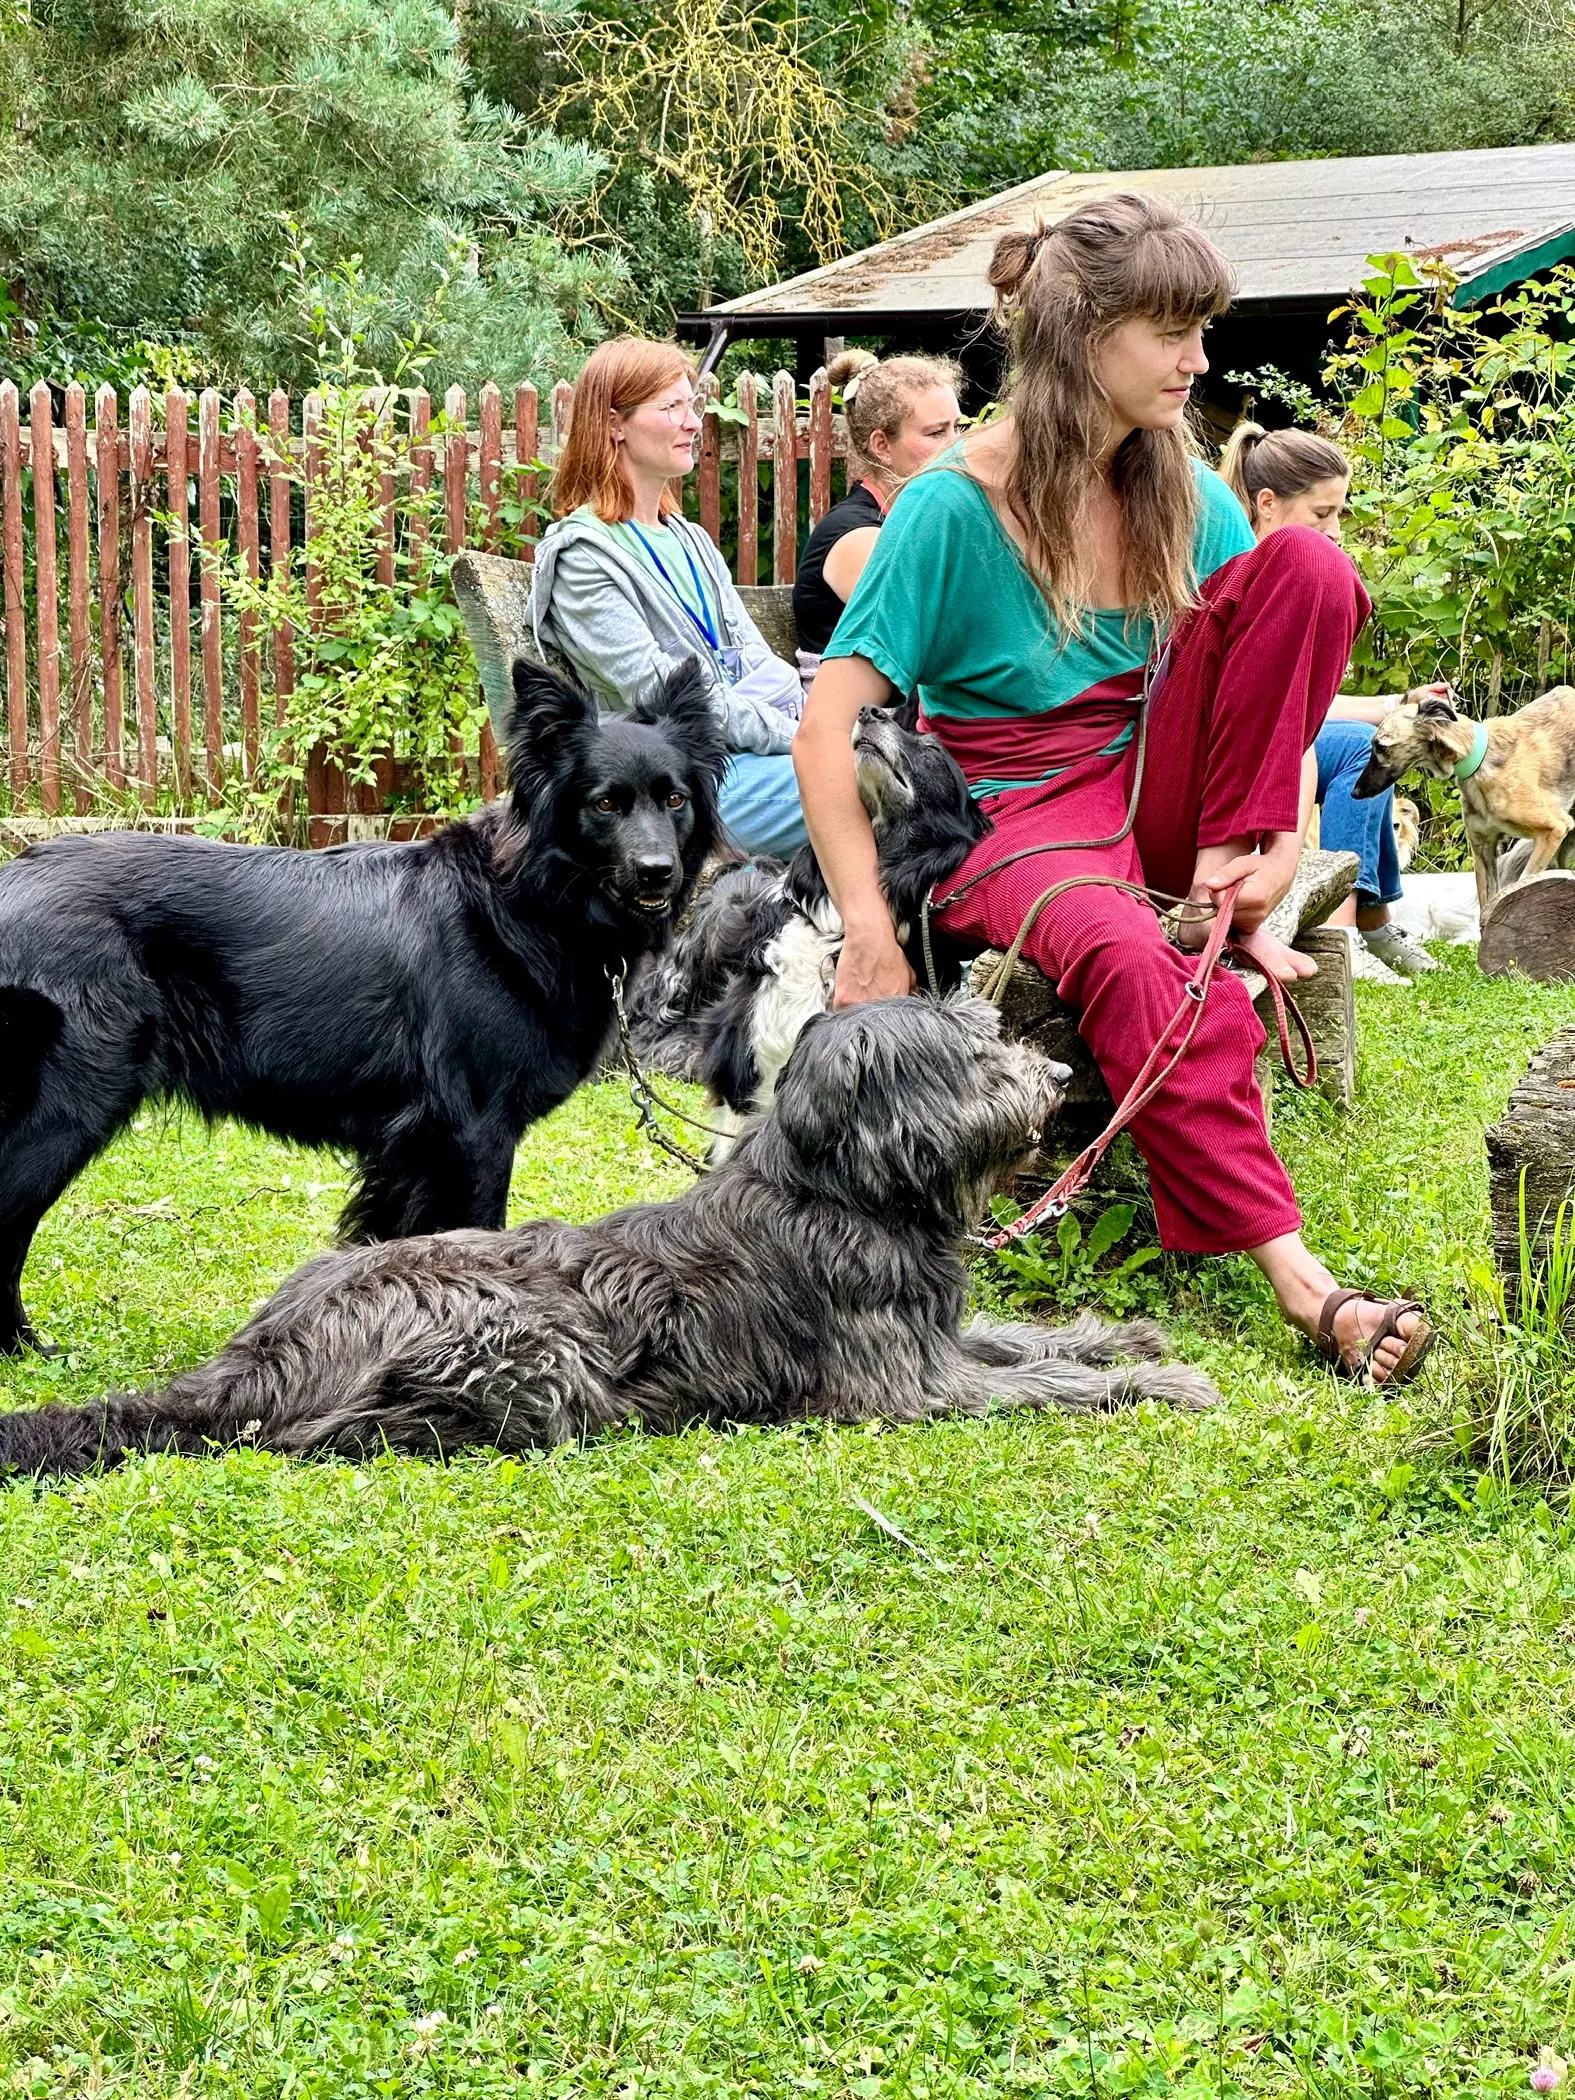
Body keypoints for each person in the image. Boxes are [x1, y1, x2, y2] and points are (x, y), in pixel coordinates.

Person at [793, 192, 1433, 1387]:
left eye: (1202, 329)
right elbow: (825, 733)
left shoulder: (1183, 489)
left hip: (1164, 786)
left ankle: (1216, 886)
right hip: (1014, 816)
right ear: (1087, 336)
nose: (1200, 360)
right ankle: (1308, 1288)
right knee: (1139, 959)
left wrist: (1277, 851)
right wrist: (872, 938)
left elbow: (1268, 668)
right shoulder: (948, 506)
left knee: (1311, 564)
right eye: (1173, 331)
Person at [528, 337, 807, 856]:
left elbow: (751, 655)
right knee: (861, 789)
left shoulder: (691, 539)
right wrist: (802, 739)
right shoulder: (585, 556)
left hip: (749, 760)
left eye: (693, 404)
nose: (693, 422)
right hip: (676, 790)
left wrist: (813, 718)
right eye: (671, 407)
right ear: (614, 424)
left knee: (892, 773)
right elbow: (665, 700)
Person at [1219, 421, 1437, 983]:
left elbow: (1305, 703)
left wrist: (1398, 701)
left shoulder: (1292, 562)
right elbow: (1277, 714)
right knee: (1362, 750)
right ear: (1267, 504)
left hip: (1283, 733)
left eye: (1341, 512)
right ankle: (1347, 929)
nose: (1337, 531)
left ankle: (1373, 919)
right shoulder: (1243, 565)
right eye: (1322, 515)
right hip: (1235, 749)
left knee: (1369, 747)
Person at [793, 348, 963, 691]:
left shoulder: (913, 521)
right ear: (881, 446)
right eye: (936, 433)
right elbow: (937, 640)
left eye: (957, 427)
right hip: (854, 722)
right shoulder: (856, 536)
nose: (955, 446)